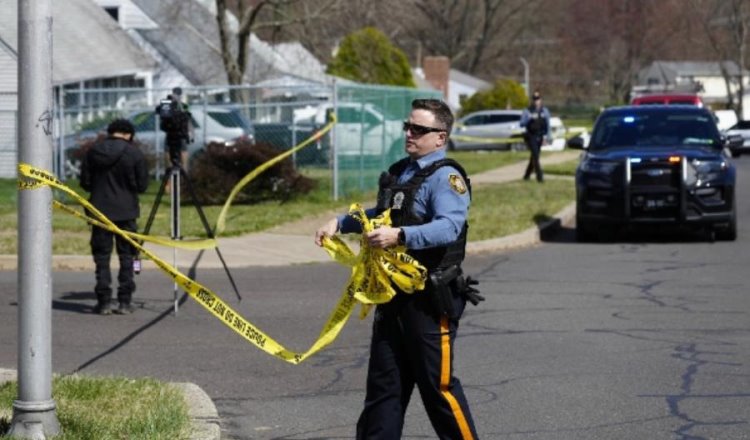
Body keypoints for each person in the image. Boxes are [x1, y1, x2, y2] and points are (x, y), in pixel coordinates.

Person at [315, 99, 481, 439]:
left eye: (419, 129)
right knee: (384, 388)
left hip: (429, 299)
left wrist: (400, 236)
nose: (410, 133)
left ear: (440, 137)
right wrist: (341, 222)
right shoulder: (401, 171)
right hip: (391, 296)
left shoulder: (447, 178)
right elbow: (383, 214)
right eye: (408, 126)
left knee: (439, 389)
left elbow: (449, 227)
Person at [80, 119, 149, 315]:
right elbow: (142, 185)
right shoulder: (134, 153)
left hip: (99, 210)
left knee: (102, 257)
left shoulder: (93, 151)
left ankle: (103, 302)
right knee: (127, 255)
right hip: (126, 211)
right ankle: (125, 302)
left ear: (111, 132)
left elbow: (85, 182)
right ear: (128, 134)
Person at [520, 90, 551, 182]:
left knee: (534, 157)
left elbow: (547, 125)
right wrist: (528, 119)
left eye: (537, 98)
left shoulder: (545, 111)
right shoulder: (527, 111)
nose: (536, 101)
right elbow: (521, 124)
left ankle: (526, 175)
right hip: (531, 136)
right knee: (536, 156)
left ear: (540, 100)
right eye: (534, 99)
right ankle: (540, 177)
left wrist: (547, 137)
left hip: (540, 136)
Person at [159, 86, 193, 171]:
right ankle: (170, 178)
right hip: (171, 134)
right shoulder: (167, 105)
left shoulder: (184, 106)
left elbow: (186, 117)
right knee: (169, 157)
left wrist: (179, 103)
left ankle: (184, 174)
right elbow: (164, 119)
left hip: (180, 134)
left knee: (183, 153)